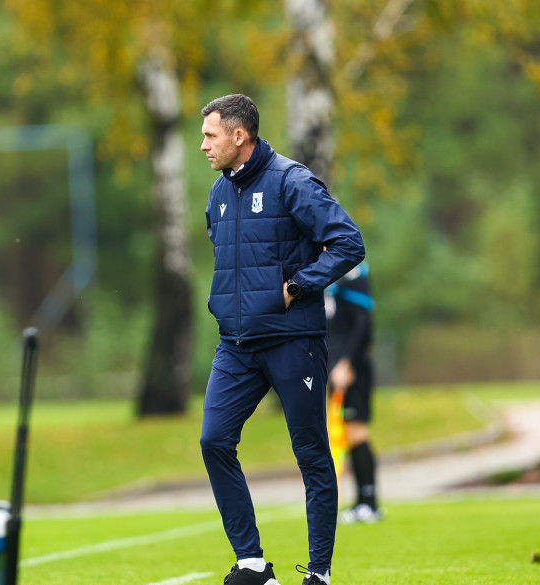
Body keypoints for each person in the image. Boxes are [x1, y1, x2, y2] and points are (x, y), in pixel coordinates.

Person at [198, 94, 365, 585]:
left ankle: (319, 573)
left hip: (294, 341)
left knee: (311, 453)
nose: (204, 146)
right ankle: (252, 564)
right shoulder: (218, 193)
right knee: (213, 440)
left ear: (238, 135)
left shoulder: (292, 181)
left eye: (210, 135)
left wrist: (296, 286)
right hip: (235, 345)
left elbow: (348, 242)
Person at [324, 263, 383, 524]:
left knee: (356, 432)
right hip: (332, 366)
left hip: (351, 369)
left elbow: (363, 322)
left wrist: (346, 362)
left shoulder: (352, 268)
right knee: (345, 434)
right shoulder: (319, 266)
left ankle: (369, 503)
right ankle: (360, 502)